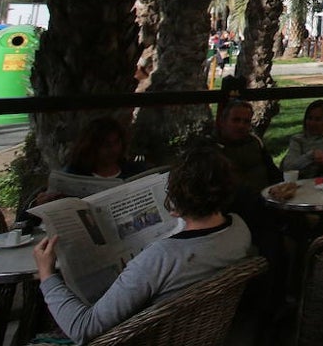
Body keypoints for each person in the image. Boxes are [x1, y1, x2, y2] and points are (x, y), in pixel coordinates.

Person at [34, 146, 253, 344]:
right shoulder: (240, 229)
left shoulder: (161, 257)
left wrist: (46, 275)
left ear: (175, 201)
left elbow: (83, 328)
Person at [214, 100, 281, 193]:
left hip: (266, 198)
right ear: (222, 122)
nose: (241, 125)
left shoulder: (255, 142)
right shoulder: (211, 149)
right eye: (236, 120)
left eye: (246, 122)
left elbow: (274, 174)